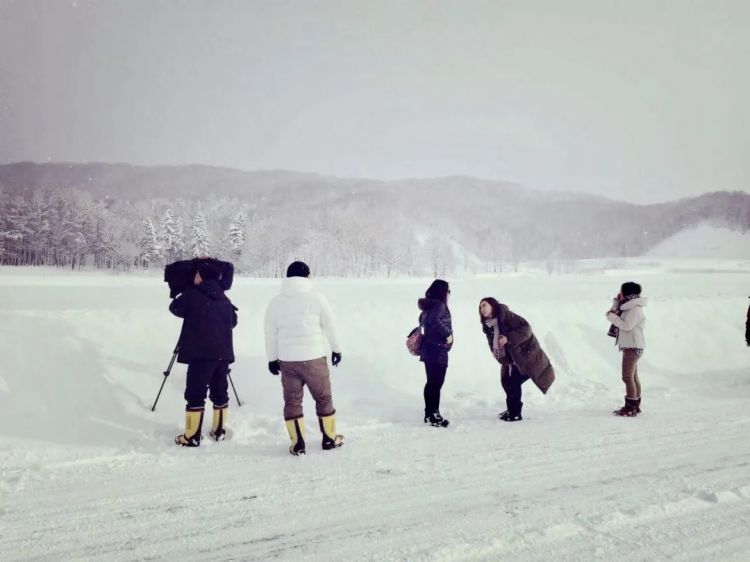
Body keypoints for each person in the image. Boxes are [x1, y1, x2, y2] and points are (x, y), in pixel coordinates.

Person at [264, 261, 343, 455]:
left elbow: (270, 333)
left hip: (288, 359)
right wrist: (336, 349)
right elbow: (330, 325)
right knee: (323, 398)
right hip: (314, 356)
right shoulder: (316, 298)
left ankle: (298, 443)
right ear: (307, 276)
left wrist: (272, 359)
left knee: (292, 401)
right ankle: (329, 439)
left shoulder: (276, 302)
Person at [170, 261, 238, 446]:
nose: (195, 277)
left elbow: (174, 308)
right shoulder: (225, 299)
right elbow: (233, 321)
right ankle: (219, 431)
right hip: (223, 354)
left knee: (195, 393)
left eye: (198, 274)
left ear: (203, 276)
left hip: (200, 354)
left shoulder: (192, 296)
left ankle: (191, 436)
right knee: (220, 392)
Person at [479, 297, 555, 422]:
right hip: (511, 359)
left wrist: (508, 338)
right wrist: (495, 352)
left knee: (513, 382)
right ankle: (512, 410)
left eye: (484, 305)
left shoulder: (507, 316)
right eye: (480, 307)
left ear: (492, 305)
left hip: (525, 355)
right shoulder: (488, 326)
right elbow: (491, 343)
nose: (482, 309)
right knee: (508, 382)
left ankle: (515, 413)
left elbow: (526, 329)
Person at [606, 282, 647, 417]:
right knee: (633, 377)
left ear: (627, 293)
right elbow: (617, 310)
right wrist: (616, 303)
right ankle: (635, 405)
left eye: (621, 292)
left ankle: (630, 407)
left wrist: (612, 317)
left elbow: (627, 326)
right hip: (631, 345)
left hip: (633, 346)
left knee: (627, 377)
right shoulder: (627, 307)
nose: (620, 294)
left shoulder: (634, 309)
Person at [418, 279, 454, 427]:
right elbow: (434, 320)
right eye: (448, 291)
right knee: (436, 383)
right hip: (438, 348)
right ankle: (434, 415)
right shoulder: (439, 305)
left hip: (428, 348)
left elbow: (425, 321)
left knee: (431, 382)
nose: (449, 294)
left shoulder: (429, 306)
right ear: (443, 292)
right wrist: (448, 335)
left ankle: (429, 413)